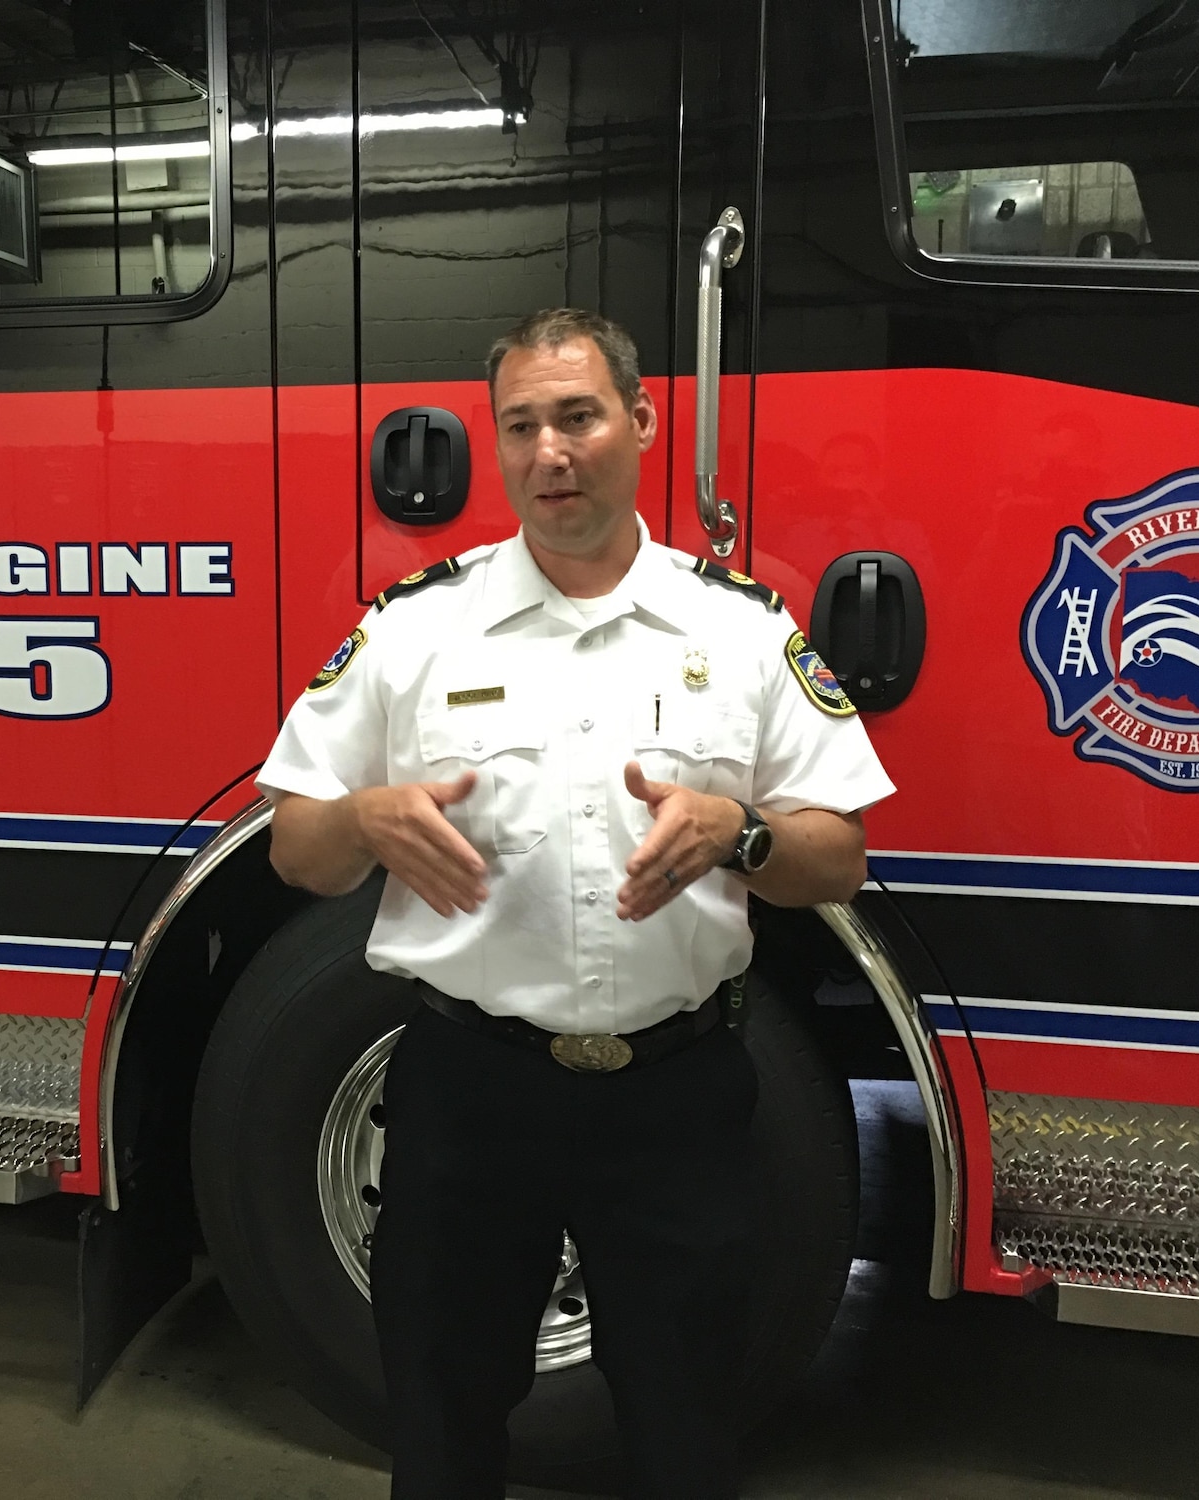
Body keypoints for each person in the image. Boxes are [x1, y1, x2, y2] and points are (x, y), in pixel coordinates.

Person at [259, 307, 895, 1499]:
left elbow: (836, 855)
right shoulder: (411, 631)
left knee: (684, 1432)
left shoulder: (741, 629)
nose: (549, 452)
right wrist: (362, 822)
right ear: (495, 447)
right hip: (468, 1099)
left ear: (641, 423)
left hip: (677, 1105)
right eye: (520, 426)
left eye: (577, 416)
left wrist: (738, 832)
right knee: (441, 1434)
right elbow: (299, 848)